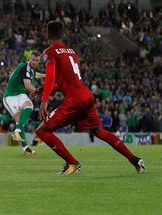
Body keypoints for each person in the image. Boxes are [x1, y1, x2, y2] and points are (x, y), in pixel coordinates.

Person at [35, 20, 146, 175]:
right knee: (99, 131)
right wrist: (45, 90)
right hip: (86, 97)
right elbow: (69, 81)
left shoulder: (49, 52)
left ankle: (72, 163)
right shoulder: (72, 52)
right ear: (63, 35)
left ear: (48, 35)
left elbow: (51, 76)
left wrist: (44, 101)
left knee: (42, 131)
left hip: (75, 101)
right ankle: (135, 160)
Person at [3, 51, 45, 155]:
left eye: (37, 60)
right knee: (19, 119)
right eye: (33, 59)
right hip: (10, 96)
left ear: (39, 61)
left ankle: (17, 133)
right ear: (29, 58)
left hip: (20, 95)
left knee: (29, 106)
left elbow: (36, 74)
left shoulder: (30, 69)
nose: (34, 62)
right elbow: (27, 85)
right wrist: (39, 93)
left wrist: (46, 75)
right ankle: (25, 147)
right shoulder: (24, 67)